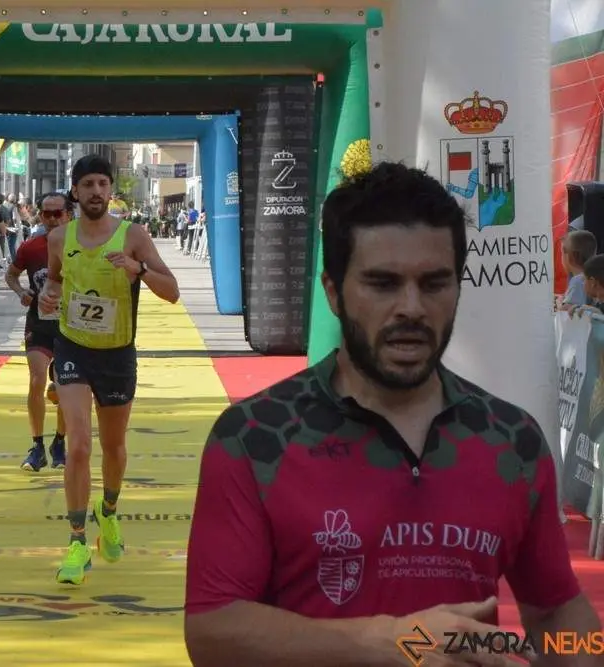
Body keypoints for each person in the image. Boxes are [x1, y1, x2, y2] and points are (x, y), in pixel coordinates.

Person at [183, 162, 602, 666]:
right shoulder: (255, 437)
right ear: (333, 292)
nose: (411, 307)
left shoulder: (511, 440)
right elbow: (212, 630)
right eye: (382, 284)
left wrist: (582, 652)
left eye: (434, 283)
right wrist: (387, 642)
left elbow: (556, 612)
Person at [39, 155, 180, 585]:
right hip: (73, 349)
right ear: (75, 192)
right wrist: (48, 295)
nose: (96, 191)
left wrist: (139, 270)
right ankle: (78, 541)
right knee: (78, 443)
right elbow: (56, 281)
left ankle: (110, 510)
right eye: (88, 184)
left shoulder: (133, 235)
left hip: (117, 354)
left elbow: (172, 291)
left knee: (114, 449)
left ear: (110, 190)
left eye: (103, 183)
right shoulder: (60, 237)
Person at [5, 192, 71, 472]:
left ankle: (59, 442)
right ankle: (37, 446)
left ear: (69, 214)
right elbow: (11, 274)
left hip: (73, 327)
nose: (53, 219)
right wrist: (21, 292)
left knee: (67, 388)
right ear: (40, 216)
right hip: (40, 325)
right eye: (47, 214)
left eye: (58, 213)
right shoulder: (31, 247)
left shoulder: (83, 245)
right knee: (36, 380)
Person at [560, 229, 597, 307]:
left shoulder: (578, 281)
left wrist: (558, 305)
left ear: (573, 256)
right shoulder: (588, 277)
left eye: (562, 253)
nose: (561, 257)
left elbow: (569, 311)